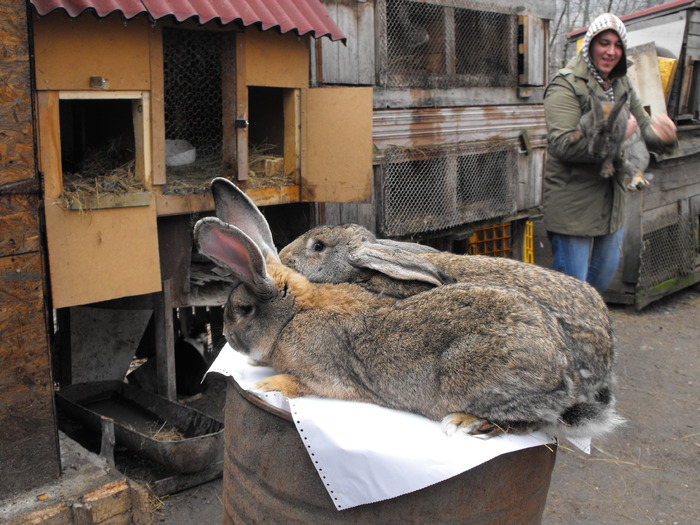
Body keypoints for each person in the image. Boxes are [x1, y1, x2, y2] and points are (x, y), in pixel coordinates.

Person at [543, 13, 677, 293]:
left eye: (617, 45)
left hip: (611, 202)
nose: (611, 51)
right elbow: (563, 145)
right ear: (590, 44)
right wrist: (619, 139)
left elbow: (641, 128)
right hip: (574, 204)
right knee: (573, 293)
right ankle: (567, 335)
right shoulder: (566, 84)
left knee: (600, 280)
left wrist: (664, 137)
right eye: (604, 43)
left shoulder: (621, 83)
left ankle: (582, 332)